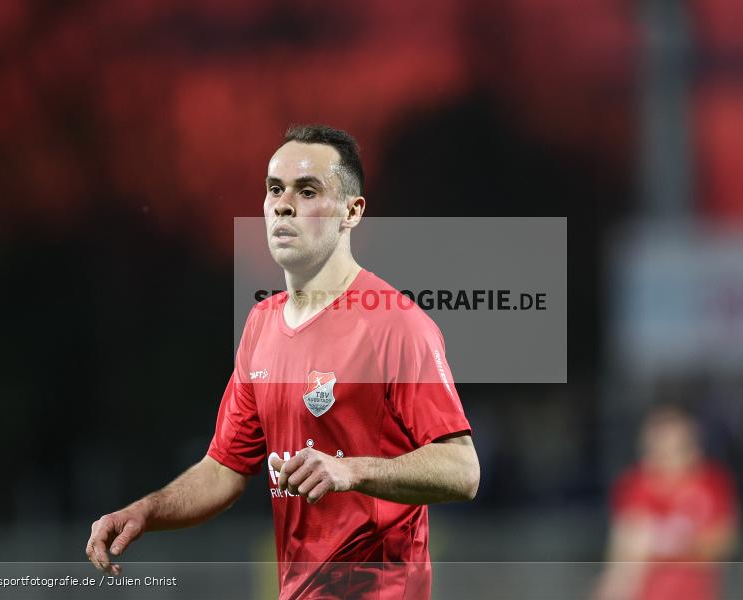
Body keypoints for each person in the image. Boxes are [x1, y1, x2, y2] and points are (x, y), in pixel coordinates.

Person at [85, 124, 480, 599]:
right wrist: (146, 512)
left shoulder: (395, 324)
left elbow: (463, 469)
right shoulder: (261, 325)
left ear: (352, 212)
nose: (283, 204)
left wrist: (350, 470)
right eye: (275, 190)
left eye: (307, 190)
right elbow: (223, 470)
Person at [594, 404, 738, 600]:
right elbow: (621, 557)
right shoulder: (633, 485)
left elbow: (722, 544)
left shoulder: (712, 483)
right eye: (656, 448)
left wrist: (667, 542)